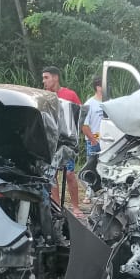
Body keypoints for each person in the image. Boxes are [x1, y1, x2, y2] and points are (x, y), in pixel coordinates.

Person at [41, 65, 83, 216]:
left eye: (46, 77)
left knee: (70, 174)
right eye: (43, 78)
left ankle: (76, 207)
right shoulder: (43, 96)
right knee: (52, 176)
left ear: (55, 77)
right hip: (50, 142)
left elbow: (79, 116)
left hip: (67, 142)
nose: (44, 81)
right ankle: (57, 206)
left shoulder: (69, 94)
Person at [80, 76, 105, 194]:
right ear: (98, 87)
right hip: (94, 141)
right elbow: (84, 125)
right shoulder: (89, 104)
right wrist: (93, 140)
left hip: (108, 141)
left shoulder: (109, 102)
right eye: (103, 84)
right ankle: (89, 193)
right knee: (91, 167)